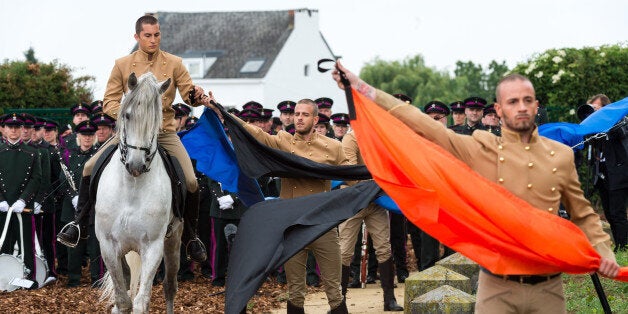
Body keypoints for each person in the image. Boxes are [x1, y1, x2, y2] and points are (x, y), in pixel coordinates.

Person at [331, 63, 620, 313]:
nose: (521, 107)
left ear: (536, 105)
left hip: (549, 290)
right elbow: (426, 126)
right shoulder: (479, 148)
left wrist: (604, 253)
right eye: (512, 101)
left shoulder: (561, 155)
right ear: (498, 109)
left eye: (527, 100)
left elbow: (583, 215)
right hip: (496, 288)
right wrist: (362, 88)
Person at [57, 14, 211, 263]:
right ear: (137, 37)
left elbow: (188, 94)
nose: (153, 40)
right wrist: (132, 116)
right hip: (130, 133)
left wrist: (197, 94)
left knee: (192, 181)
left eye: (157, 35)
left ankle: (190, 236)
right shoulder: (122, 64)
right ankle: (78, 224)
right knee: (88, 167)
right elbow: (108, 101)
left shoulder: (174, 63)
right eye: (148, 36)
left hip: (163, 132)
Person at [212, 98, 350, 313]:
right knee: (295, 288)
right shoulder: (283, 141)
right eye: (297, 114)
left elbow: (351, 177)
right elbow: (256, 133)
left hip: (323, 224)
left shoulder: (333, 147)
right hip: (292, 225)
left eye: (305, 115)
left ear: (315, 119)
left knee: (334, 288)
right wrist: (222, 112)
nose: (299, 118)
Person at [339, 130, 404, 311]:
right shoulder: (351, 138)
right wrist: (376, 180)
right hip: (354, 201)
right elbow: (350, 171)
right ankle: (338, 302)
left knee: (384, 248)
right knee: (344, 251)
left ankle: (389, 300)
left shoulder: (381, 138)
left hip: (377, 200)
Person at [0, 113, 42, 288]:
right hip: (3, 207)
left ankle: (29, 276)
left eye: (17, 127)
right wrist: (1, 200)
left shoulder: (32, 153)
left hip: (23, 207)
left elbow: (36, 178)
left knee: (27, 243)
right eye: (11, 127)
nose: (14, 131)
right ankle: (3, 275)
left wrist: (24, 200)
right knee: (3, 242)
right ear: (4, 129)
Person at [61, 121, 103, 287]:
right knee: (74, 244)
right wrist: (73, 196)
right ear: (77, 136)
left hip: (93, 206)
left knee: (95, 244)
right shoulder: (68, 155)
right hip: (73, 205)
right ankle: (73, 279)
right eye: (84, 135)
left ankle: (96, 278)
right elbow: (62, 179)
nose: (87, 138)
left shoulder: (100, 154)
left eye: (90, 135)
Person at [587, 94, 627, 252]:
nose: (594, 112)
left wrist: (608, 120)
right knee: (609, 212)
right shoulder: (594, 129)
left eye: (597, 108)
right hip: (602, 175)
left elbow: (621, 135)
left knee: (618, 212)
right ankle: (619, 242)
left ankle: (623, 246)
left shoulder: (619, 122)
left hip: (617, 174)